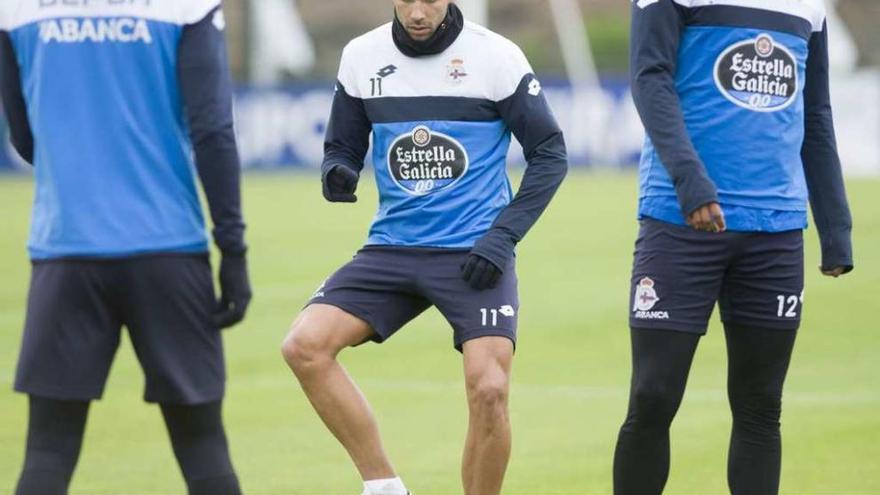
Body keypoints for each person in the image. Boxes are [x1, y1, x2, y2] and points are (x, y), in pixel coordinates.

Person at [280, 1, 567, 494]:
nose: (417, 12)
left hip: (476, 252)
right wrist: (338, 172)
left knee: (490, 388)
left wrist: (501, 237)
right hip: (393, 248)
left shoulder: (496, 56)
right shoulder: (361, 56)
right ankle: (384, 486)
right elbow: (341, 147)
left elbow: (550, 154)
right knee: (304, 347)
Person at [0, 1, 251, 494]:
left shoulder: (17, 9)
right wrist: (233, 250)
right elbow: (213, 131)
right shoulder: (188, 6)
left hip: (65, 251)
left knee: (48, 450)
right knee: (203, 447)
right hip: (168, 250)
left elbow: (25, 137)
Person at [614, 1, 854, 494]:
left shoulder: (809, 7)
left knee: (761, 406)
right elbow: (649, 79)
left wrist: (835, 227)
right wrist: (691, 181)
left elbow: (817, 112)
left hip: (776, 232)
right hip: (681, 221)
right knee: (653, 395)